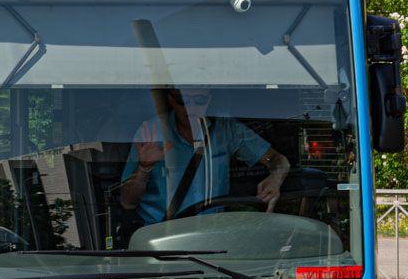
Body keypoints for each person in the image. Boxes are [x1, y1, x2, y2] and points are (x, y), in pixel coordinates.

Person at [118, 87, 289, 225]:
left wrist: (275, 178)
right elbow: (127, 202)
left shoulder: (225, 128)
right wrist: (144, 167)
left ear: (209, 100)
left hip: (212, 232)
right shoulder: (151, 132)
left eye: (199, 100)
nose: (191, 107)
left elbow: (277, 159)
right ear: (171, 100)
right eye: (183, 100)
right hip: (160, 234)